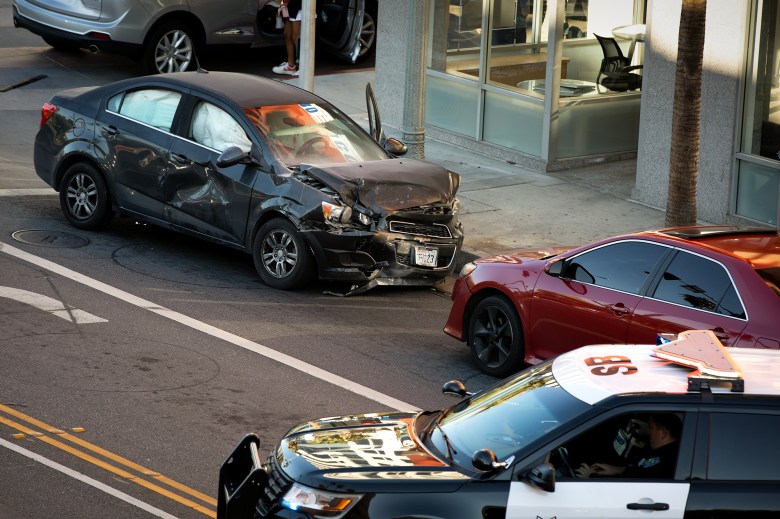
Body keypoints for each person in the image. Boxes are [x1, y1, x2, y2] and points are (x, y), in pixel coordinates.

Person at [575, 413, 681, 479]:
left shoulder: (664, 461)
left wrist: (592, 476)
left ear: (663, 433)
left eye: (651, 428)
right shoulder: (666, 451)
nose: (649, 432)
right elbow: (638, 471)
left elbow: (630, 482)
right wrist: (617, 470)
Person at [272, 0, 302, 77]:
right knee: (287, 34)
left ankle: (304, 67)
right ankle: (291, 66)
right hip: (289, 5)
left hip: (300, 6)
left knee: (297, 37)